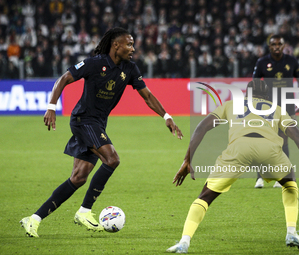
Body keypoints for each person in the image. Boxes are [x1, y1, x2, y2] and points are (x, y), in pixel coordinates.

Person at [20, 27, 183, 238]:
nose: (133, 48)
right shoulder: (94, 63)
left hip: (97, 124)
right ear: (116, 45)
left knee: (78, 178)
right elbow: (63, 79)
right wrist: (51, 107)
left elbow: (148, 96)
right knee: (112, 159)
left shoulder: (130, 69)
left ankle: (33, 219)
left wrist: (167, 116)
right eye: (129, 44)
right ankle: (85, 211)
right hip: (83, 120)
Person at [166, 80, 299, 253]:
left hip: (238, 149)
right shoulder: (276, 108)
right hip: (269, 150)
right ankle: (291, 232)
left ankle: (184, 242)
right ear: (267, 96)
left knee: (205, 196)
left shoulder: (231, 104)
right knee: (289, 182)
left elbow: (202, 127)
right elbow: (298, 136)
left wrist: (187, 159)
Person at [252, 34, 299, 189]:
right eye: (273, 44)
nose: (276, 47)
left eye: (279, 44)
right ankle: (260, 178)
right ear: (270, 46)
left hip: (287, 106)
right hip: (267, 106)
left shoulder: (292, 61)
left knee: (284, 141)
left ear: (283, 45)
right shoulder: (262, 62)